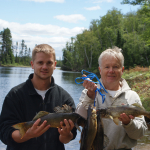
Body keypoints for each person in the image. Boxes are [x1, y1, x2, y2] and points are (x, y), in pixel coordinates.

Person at [0, 44, 77, 150]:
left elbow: (69, 137)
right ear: (32, 64)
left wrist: (65, 134)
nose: (44, 67)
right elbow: (5, 133)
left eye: (49, 63)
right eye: (40, 62)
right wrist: (29, 134)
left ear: (54, 65)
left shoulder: (64, 97)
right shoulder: (15, 95)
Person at [76, 46, 148, 150]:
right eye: (107, 67)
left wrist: (129, 123)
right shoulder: (89, 93)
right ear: (100, 70)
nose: (111, 71)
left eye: (115, 67)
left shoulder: (132, 96)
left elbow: (140, 134)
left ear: (122, 70)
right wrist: (90, 97)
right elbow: (79, 120)